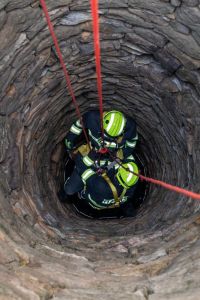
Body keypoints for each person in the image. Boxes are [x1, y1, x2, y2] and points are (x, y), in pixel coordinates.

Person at [64, 153, 139, 211]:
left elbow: (82, 167)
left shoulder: (100, 185)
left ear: (117, 175)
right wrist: (107, 167)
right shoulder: (132, 182)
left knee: (69, 189)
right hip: (114, 200)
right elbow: (125, 160)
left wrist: (84, 155)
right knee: (125, 202)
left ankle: (71, 195)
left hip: (94, 197)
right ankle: (128, 210)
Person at [65, 110, 138, 158]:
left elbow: (132, 142)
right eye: (105, 133)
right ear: (102, 122)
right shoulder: (92, 118)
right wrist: (69, 140)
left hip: (113, 154)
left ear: (123, 130)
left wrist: (122, 154)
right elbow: (78, 126)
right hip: (93, 147)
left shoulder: (130, 128)